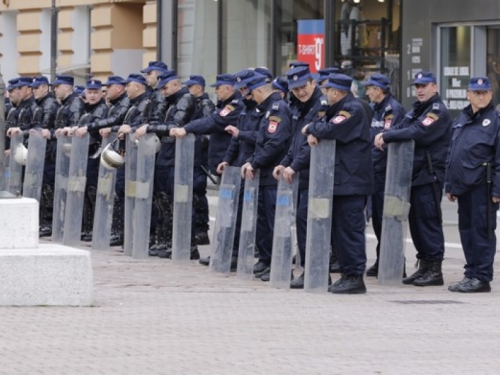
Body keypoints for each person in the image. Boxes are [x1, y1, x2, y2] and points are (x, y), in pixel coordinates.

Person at [374, 71, 452, 287]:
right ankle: (424, 265)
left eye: (424, 86)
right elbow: (402, 127)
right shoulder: (417, 109)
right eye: (417, 86)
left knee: (428, 221)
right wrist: (387, 135)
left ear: (435, 87)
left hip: (429, 174)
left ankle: (435, 269)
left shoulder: (437, 111)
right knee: (417, 223)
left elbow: (419, 132)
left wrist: (387, 136)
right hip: (415, 174)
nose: (419, 90)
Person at [303, 73, 373, 294]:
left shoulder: (352, 109)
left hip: (351, 180)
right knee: (340, 231)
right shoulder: (338, 109)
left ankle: (354, 276)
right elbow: (325, 126)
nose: (324, 94)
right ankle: (347, 273)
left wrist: (311, 130)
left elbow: (332, 130)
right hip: (341, 179)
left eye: (326, 90)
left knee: (350, 230)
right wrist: (316, 129)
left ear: (336, 92)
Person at [135, 69, 199, 259]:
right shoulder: (169, 101)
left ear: (175, 84)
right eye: (161, 88)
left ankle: (188, 244)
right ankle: (168, 240)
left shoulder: (185, 99)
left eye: (166, 87)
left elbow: (176, 125)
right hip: (167, 154)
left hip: (179, 157)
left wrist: (150, 127)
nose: (163, 92)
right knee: (164, 201)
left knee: (180, 201)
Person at [445, 77, 500, 293]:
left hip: (483, 187)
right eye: (476, 92)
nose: (481, 96)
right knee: (466, 231)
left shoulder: (495, 121)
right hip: (464, 186)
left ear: (491, 95)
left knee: (482, 232)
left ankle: (482, 277)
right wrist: (450, 185)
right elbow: (452, 153)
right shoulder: (462, 119)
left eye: (484, 92)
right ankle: (470, 274)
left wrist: (497, 189)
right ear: (468, 95)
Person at [273, 65, 323, 288]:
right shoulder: (299, 106)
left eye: (303, 87)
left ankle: (316, 270)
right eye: (295, 89)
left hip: (318, 173)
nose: (300, 92)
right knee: (303, 222)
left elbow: (312, 146)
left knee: (312, 222)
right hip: (304, 174)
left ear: (312, 82)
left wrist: (294, 165)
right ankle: (309, 269)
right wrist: (285, 163)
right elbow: (296, 142)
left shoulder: (321, 106)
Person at [241, 74, 292, 281]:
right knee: (263, 221)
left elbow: (275, 143)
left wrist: (255, 162)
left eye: (252, 94)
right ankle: (267, 259)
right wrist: (251, 160)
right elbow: (262, 142)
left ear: (260, 91)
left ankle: (280, 263)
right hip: (264, 173)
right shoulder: (267, 110)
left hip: (273, 175)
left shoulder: (277, 109)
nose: (252, 98)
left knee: (275, 223)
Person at [361, 73, 406, 277]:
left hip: (386, 175)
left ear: (378, 90)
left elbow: (386, 145)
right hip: (375, 173)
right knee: (379, 220)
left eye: (369, 88)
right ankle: (382, 260)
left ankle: (395, 263)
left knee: (388, 219)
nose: (367, 92)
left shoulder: (392, 110)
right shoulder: (376, 110)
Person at [183, 74, 215, 246]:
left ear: (199, 88)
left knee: (197, 191)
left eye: (191, 87)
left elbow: (207, 127)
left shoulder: (205, 104)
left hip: (199, 155)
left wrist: (200, 146)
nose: (188, 90)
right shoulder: (192, 102)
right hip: (192, 153)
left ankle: (202, 229)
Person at [30, 76, 60, 237]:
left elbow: (45, 127)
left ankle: (49, 222)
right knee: (43, 188)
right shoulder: (41, 103)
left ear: (45, 88)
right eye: (33, 88)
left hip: (49, 152)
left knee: (48, 189)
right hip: (44, 152)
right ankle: (44, 222)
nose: (34, 91)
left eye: (37, 88)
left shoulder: (49, 104)